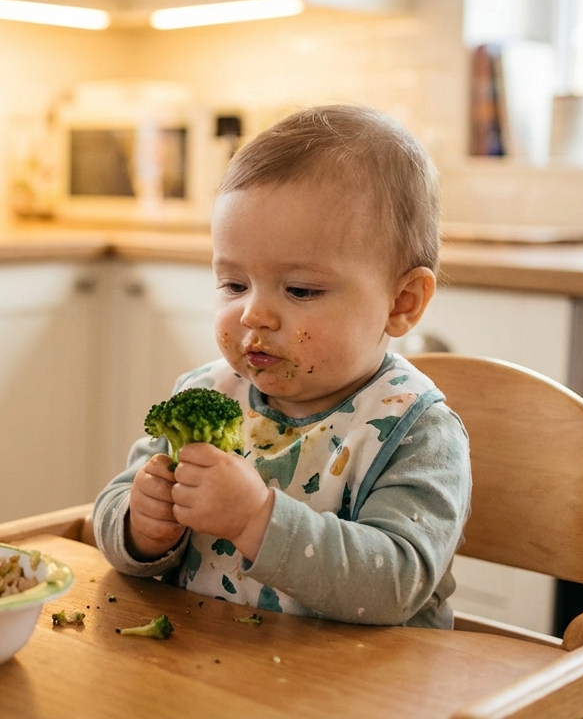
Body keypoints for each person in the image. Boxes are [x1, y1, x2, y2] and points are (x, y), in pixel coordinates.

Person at [93, 105, 471, 628]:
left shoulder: (414, 430)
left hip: (365, 689)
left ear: (402, 302)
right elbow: (113, 507)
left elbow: (395, 582)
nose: (252, 313)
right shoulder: (209, 393)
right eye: (233, 284)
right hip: (214, 672)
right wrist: (140, 525)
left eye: (300, 289)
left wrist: (257, 520)